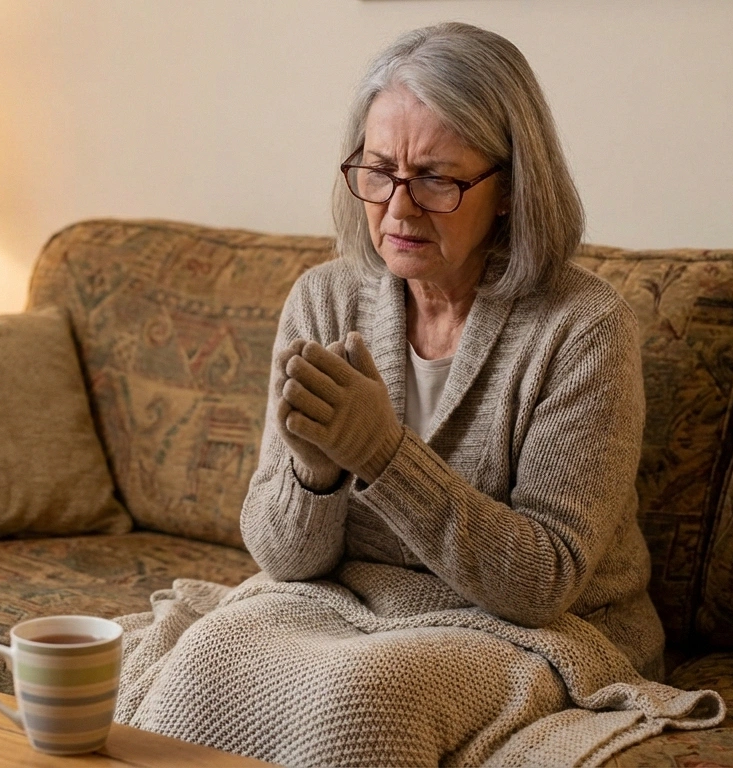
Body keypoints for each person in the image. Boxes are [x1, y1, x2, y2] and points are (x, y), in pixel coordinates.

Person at [239, 20, 665, 679]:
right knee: (203, 657)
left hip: (539, 637)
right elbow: (283, 560)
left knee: (360, 695)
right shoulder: (324, 301)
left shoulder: (583, 328)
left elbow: (543, 583)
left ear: (511, 190)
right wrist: (315, 475)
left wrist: (381, 454)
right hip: (354, 613)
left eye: (437, 179)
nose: (399, 211)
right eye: (379, 172)